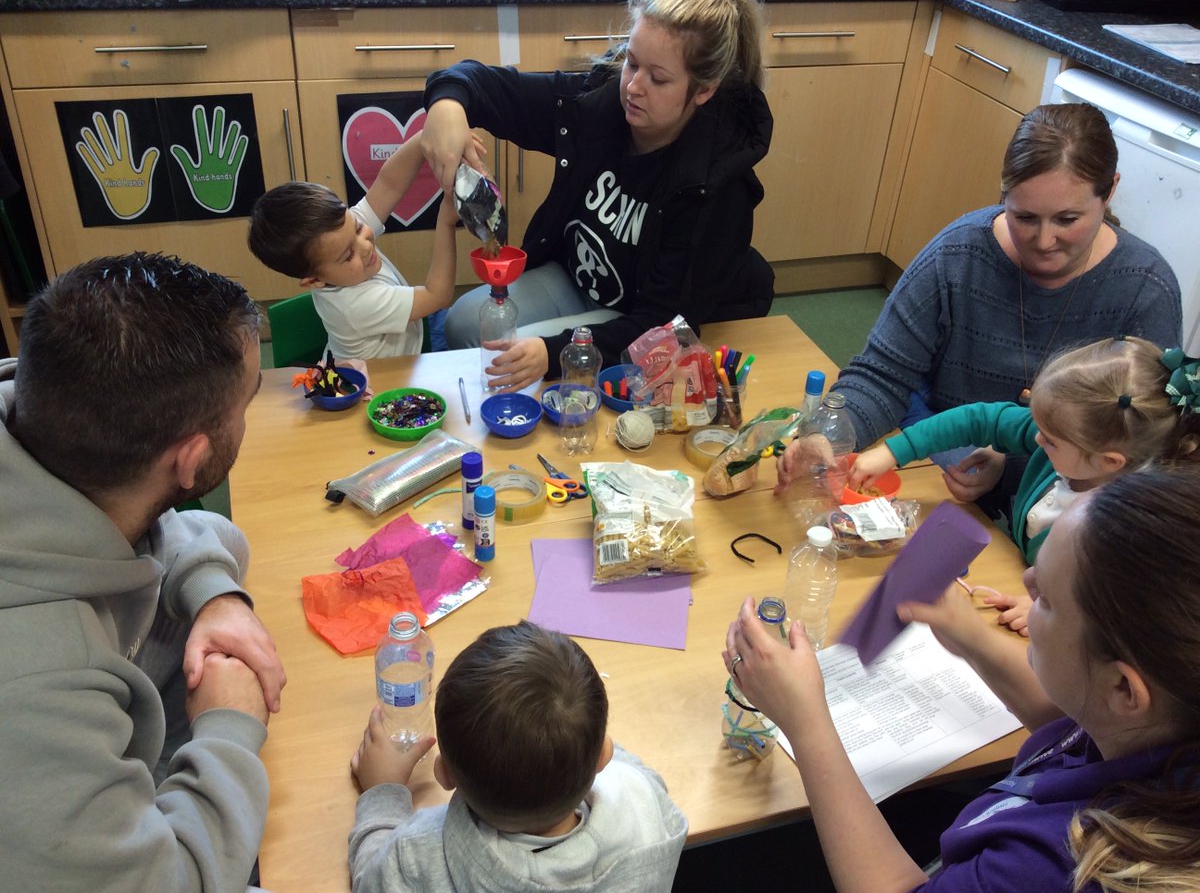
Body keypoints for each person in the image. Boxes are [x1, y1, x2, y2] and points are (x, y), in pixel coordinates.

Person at [725, 463, 1200, 893]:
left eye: (1047, 599)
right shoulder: (1164, 722)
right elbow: (1068, 724)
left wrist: (805, 721)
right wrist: (972, 637)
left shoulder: (1056, 868)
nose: (1026, 583)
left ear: (1123, 688)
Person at [0, 253, 287, 891]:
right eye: (246, 403)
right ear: (192, 460)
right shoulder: (35, 687)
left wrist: (217, 598)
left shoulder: (40, 430)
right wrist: (229, 729)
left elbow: (179, 530)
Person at [776, 103, 1182, 507]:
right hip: (941, 450)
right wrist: (829, 435)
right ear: (1003, 195)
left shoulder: (1145, 289)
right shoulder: (957, 254)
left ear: (1109, 191)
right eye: (1025, 217)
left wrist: (1012, 468)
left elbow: (1145, 447)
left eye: (1067, 220)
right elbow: (883, 376)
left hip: (1069, 486)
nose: (1044, 241)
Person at [420, 0, 774, 392]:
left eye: (658, 79)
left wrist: (554, 352)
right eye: (632, 63)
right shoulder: (596, 105)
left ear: (704, 90)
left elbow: (664, 325)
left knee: (513, 358)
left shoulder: (719, 187)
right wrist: (447, 105)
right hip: (575, 279)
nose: (634, 87)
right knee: (463, 322)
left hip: (642, 318)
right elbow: (483, 84)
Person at [850, 337, 1200, 633]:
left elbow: (1119, 610)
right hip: (1010, 569)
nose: (1036, 439)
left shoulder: (1132, 529)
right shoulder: (1075, 442)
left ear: (1109, 462)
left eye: (1050, 441)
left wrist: (1049, 608)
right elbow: (980, 419)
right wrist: (893, 452)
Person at [348, 620, 688, 892]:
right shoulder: (646, 806)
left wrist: (383, 791)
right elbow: (632, 771)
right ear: (604, 755)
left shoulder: (416, 858)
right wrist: (579, 723)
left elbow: (370, 881)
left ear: (444, 774)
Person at [248, 130, 459, 361]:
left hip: (411, 335)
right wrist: (446, 222)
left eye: (358, 228)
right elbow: (437, 296)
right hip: (385, 374)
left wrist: (427, 137)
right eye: (349, 256)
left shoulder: (339, 235)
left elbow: (389, 184)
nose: (365, 246)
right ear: (314, 281)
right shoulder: (355, 304)